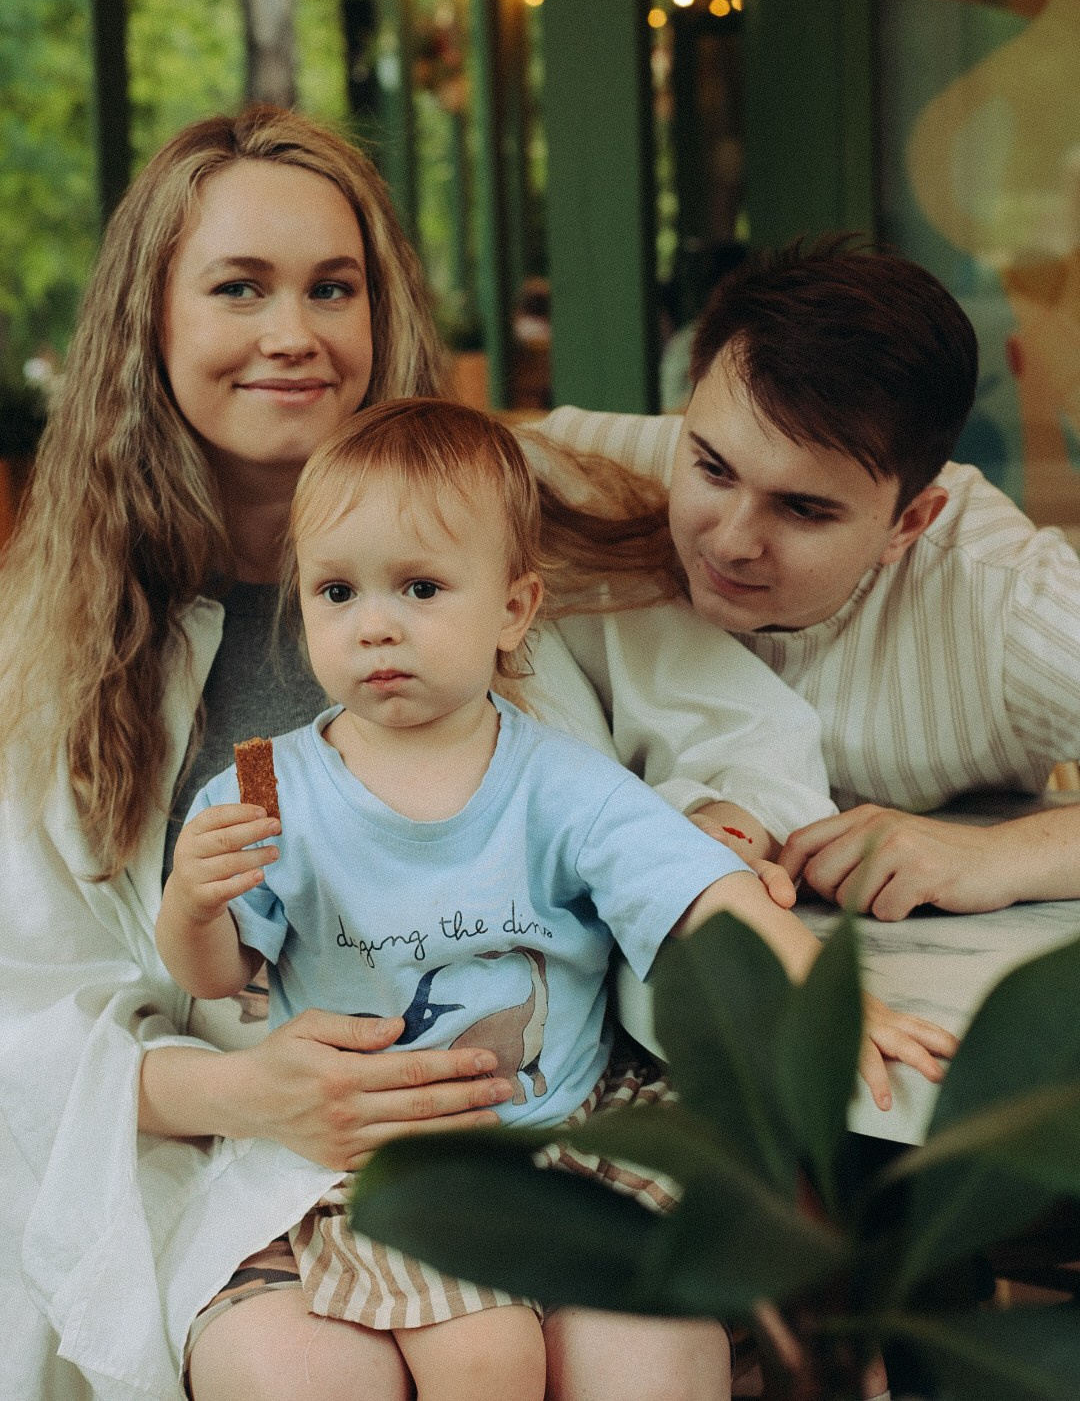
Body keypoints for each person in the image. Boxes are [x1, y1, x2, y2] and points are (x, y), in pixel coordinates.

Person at [0, 107, 834, 1401]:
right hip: (252, 1154)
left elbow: (743, 729)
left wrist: (717, 825)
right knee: (307, 1379)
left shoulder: (507, 506)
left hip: (552, 1110)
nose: (294, 332)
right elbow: (28, 1015)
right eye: (239, 288)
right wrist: (250, 1095)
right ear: (147, 322)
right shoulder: (62, 641)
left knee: (647, 1356)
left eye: (333, 287)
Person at [157, 398, 955, 1401]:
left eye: (421, 587)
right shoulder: (264, 783)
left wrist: (826, 994)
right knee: (487, 1358)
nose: (375, 624)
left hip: (561, 1130)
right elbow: (217, 974)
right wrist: (192, 906)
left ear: (513, 611)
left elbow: (702, 891)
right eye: (336, 591)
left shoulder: (559, 781)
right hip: (381, 1155)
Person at [540, 237, 1080, 921]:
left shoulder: (1009, 600)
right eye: (712, 469)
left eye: (802, 509)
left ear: (908, 523)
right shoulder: (589, 475)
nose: (730, 543)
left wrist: (996, 856)